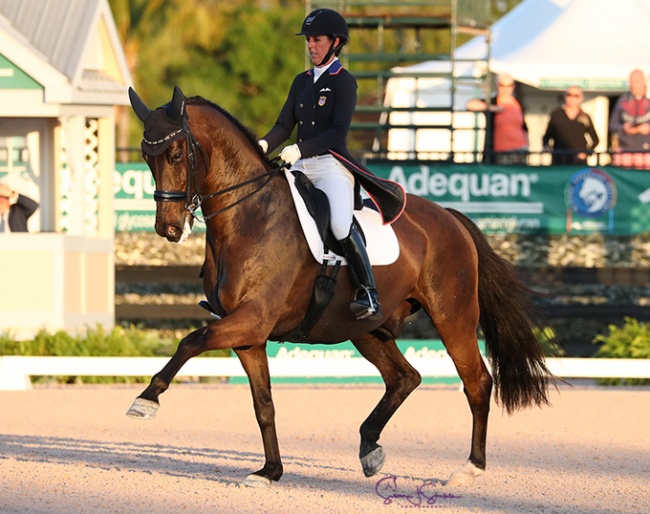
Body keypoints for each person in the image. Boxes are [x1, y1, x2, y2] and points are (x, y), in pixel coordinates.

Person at [258, 8, 405, 321]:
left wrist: (300, 149)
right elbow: (284, 126)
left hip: (331, 166)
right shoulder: (301, 81)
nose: (311, 45)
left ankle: (369, 291)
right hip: (299, 166)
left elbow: (337, 132)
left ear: (335, 42)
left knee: (339, 223)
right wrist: (261, 146)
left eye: (317, 40)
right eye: (309, 40)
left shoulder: (344, 82)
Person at [466, 72, 529, 164]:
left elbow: (524, 127)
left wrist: (527, 145)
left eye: (509, 85)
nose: (505, 88)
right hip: (501, 151)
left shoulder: (518, 103)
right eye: (502, 85)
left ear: (513, 87)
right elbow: (470, 104)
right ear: (497, 85)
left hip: (520, 150)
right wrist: (491, 108)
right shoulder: (493, 101)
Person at [542, 86, 600, 165]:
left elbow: (595, 140)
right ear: (565, 96)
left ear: (581, 98)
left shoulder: (585, 117)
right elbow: (547, 136)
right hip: (559, 159)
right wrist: (548, 148)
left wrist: (586, 153)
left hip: (578, 161)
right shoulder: (556, 115)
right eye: (569, 95)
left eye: (576, 96)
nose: (572, 98)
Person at [609, 68, 650, 169]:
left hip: (646, 152)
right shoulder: (623, 100)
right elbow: (612, 125)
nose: (632, 84)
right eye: (630, 81)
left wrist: (647, 128)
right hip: (625, 150)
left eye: (635, 81)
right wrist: (623, 127)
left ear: (643, 81)